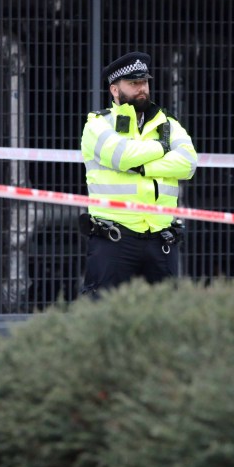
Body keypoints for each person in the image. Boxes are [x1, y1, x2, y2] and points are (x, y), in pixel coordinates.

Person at [79, 51, 198, 297]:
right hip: (114, 240)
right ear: (114, 90)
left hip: (160, 240)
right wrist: (163, 148)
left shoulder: (168, 124)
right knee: (104, 318)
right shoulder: (97, 125)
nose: (141, 89)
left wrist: (144, 167)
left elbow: (188, 164)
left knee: (164, 321)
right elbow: (123, 156)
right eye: (133, 84)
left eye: (144, 82)